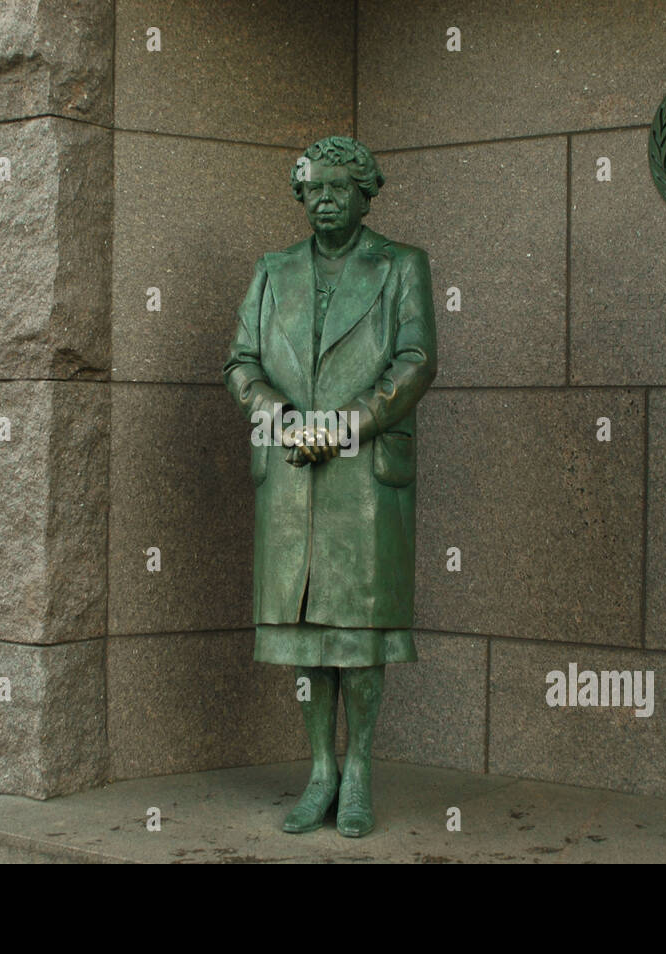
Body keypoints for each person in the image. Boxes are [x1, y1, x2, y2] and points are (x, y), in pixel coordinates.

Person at [222, 135, 437, 837]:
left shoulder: (402, 265)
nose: (323, 202)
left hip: (364, 476)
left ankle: (361, 770)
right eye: (312, 190)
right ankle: (320, 770)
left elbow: (415, 362)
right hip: (288, 476)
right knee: (307, 638)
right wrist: (280, 418)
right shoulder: (272, 270)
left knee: (359, 636)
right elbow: (241, 363)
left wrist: (341, 428)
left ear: (365, 194)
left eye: (337, 190)